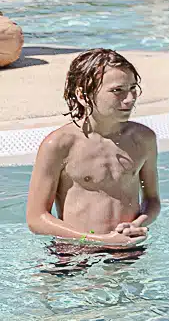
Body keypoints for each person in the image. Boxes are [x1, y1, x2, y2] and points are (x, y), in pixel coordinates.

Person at [26, 50, 160, 250]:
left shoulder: (143, 139)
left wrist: (137, 224)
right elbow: (36, 219)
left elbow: (152, 200)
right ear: (82, 95)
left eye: (133, 88)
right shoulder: (60, 145)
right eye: (117, 90)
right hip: (75, 253)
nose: (130, 98)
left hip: (128, 249)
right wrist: (100, 241)